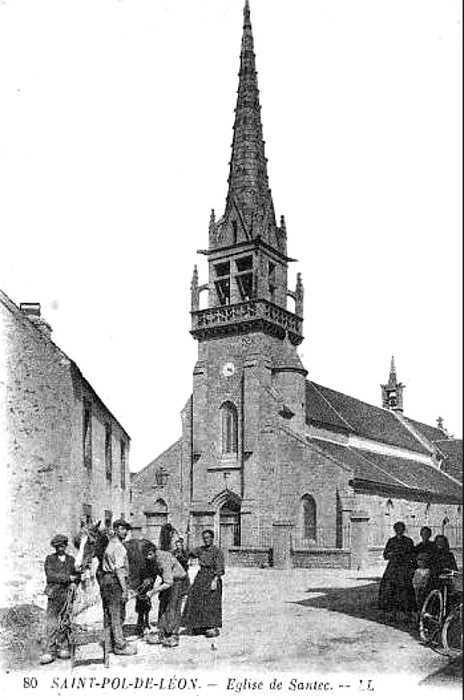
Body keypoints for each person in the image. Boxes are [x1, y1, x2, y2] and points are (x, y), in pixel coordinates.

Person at [39, 534, 80, 665]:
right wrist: (69, 578)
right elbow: (51, 576)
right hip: (54, 594)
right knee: (51, 622)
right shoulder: (50, 559)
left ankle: (63, 646)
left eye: (63, 545)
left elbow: (77, 575)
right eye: (58, 546)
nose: (61, 548)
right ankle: (49, 651)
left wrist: (75, 582)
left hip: (67, 595)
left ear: (66, 546)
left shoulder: (71, 560)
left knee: (65, 621)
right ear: (55, 547)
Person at [99, 519, 137, 656]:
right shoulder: (119, 547)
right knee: (117, 614)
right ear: (115, 530)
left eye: (126, 529)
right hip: (115, 582)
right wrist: (125, 590)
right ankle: (120, 646)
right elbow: (120, 570)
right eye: (122, 529)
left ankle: (109, 643)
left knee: (109, 613)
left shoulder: (110, 544)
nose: (125, 532)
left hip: (106, 580)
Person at [181, 529, 225, 637]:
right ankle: (198, 625)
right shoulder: (200, 550)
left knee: (211, 602)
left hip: (212, 576)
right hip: (201, 576)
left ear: (212, 538)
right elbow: (189, 554)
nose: (206, 540)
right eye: (204, 538)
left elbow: (220, 567)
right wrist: (182, 546)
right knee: (196, 598)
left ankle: (211, 626)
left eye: (208, 538)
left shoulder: (217, 551)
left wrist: (215, 580)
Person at [145, 541, 188, 648]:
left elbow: (168, 582)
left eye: (150, 554)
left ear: (154, 552)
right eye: (146, 555)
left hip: (177, 581)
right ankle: (162, 633)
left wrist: (152, 592)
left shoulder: (163, 559)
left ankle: (173, 635)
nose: (148, 557)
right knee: (163, 606)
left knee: (173, 607)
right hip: (168, 580)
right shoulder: (153, 558)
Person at [378, 521, 416, 621]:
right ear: (395, 530)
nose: (399, 531)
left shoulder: (408, 541)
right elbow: (385, 555)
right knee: (392, 591)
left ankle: (407, 614)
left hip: (404, 568)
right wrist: (390, 554)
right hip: (393, 569)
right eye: (397, 529)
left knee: (406, 592)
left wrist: (410, 567)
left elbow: (412, 555)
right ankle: (393, 614)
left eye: (401, 529)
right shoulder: (391, 541)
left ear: (404, 530)